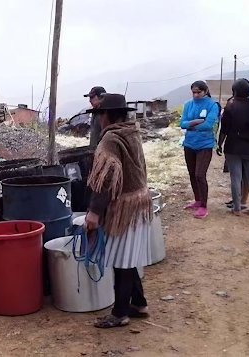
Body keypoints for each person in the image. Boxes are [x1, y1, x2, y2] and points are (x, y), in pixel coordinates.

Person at [83, 93, 153, 328]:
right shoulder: (131, 131)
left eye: (100, 113)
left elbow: (105, 178)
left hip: (124, 207)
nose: (99, 119)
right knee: (128, 255)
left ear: (107, 115)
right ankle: (139, 303)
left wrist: (94, 212)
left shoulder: (110, 139)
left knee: (121, 262)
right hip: (139, 202)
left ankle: (120, 312)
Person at [217, 79, 249, 216]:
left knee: (236, 178)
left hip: (233, 147)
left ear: (234, 92)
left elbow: (224, 129)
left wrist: (219, 145)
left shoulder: (230, 107)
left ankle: (237, 208)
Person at [180, 81, 221, 218]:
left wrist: (190, 125)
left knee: (199, 174)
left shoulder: (212, 105)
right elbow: (182, 123)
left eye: (199, 92)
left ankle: (204, 205)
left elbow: (208, 125)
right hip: (189, 143)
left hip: (205, 144)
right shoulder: (188, 104)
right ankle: (197, 200)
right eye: (194, 92)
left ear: (205, 91)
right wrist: (197, 121)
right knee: (192, 173)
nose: (196, 95)